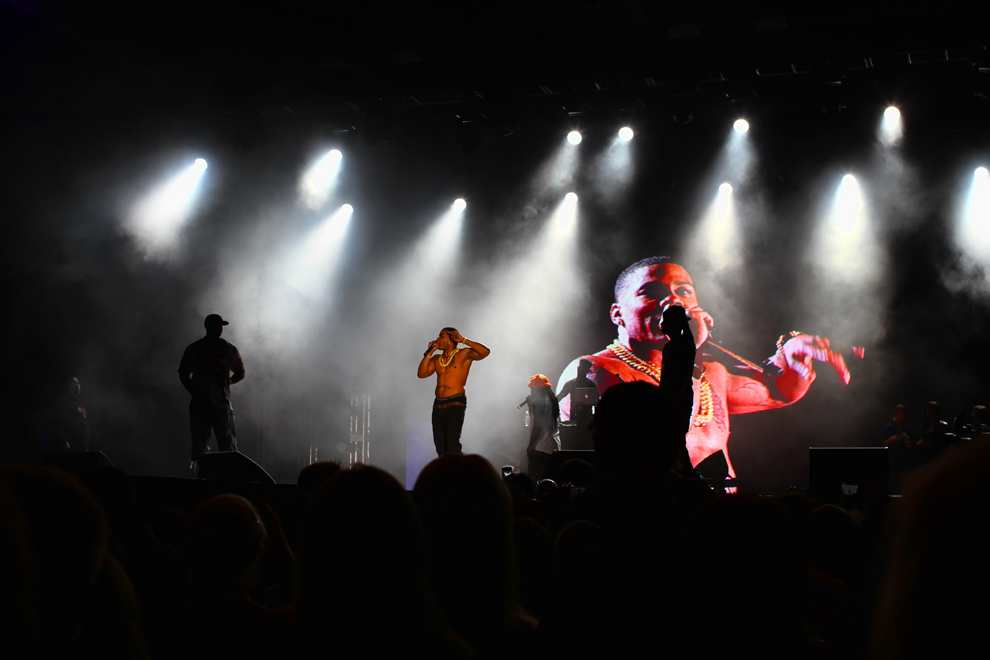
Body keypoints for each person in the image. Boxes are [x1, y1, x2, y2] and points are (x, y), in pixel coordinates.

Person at [557, 256, 852, 478]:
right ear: (617, 314)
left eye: (684, 291)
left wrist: (791, 354)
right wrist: (690, 350)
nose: (673, 300)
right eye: (652, 292)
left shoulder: (713, 372)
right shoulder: (594, 371)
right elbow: (663, 435)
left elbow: (780, 392)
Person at [178, 314, 245, 473]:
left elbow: (240, 372)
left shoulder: (220, 348)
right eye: (218, 326)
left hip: (217, 404)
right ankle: (208, 477)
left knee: (224, 446)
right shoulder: (224, 348)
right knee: (205, 447)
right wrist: (195, 393)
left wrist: (228, 381)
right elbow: (183, 374)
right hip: (208, 404)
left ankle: (221, 477)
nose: (220, 329)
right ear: (209, 327)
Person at [417, 327, 490, 456]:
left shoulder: (464, 353)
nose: (438, 339)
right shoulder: (437, 358)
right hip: (438, 404)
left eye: (441, 336)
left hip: (455, 402)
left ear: (451, 339)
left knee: (452, 442)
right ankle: (445, 468)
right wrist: (430, 352)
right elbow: (422, 374)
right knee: (440, 445)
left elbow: (485, 352)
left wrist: (464, 340)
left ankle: (458, 468)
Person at [521, 374, 561, 478]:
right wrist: (531, 406)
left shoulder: (539, 402)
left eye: (532, 389)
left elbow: (538, 425)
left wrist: (530, 445)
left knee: (536, 480)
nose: (531, 392)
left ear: (539, 389)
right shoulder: (551, 400)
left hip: (541, 448)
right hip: (553, 446)